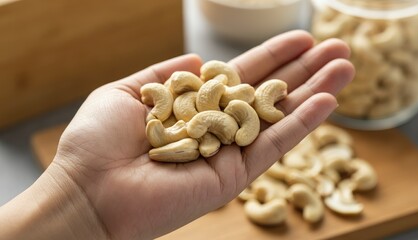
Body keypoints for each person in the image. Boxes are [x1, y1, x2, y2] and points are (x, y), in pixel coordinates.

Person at [0, 30, 354, 240]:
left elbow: (229, 130)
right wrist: (78, 195)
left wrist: (79, 205)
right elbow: (214, 130)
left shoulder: (205, 112)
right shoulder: (184, 115)